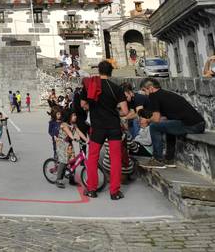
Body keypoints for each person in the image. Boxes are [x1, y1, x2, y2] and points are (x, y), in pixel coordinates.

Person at [80, 60, 128, 200]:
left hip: (98, 127)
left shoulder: (90, 86)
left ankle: (92, 189)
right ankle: (114, 192)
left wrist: (93, 109)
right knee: (115, 159)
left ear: (99, 71)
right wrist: (114, 112)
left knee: (93, 158)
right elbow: (125, 111)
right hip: (113, 127)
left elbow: (83, 104)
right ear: (111, 72)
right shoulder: (116, 88)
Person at [139, 78, 206, 169]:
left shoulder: (153, 96)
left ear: (150, 88)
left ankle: (157, 159)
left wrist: (146, 120)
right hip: (199, 124)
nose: (144, 93)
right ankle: (169, 159)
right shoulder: (165, 94)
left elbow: (156, 119)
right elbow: (163, 118)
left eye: (144, 90)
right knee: (167, 126)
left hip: (191, 125)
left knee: (154, 127)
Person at [55, 109, 87, 188]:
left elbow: (79, 132)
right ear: (68, 116)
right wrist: (73, 137)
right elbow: (68, 132)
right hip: (62, 144)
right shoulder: (64, 124)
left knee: (73, 161)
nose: (75, 117)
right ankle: (58, 179)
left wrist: (87, 140)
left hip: (69, 144)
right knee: (64, 161)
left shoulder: (74, 125)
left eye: (75, 115)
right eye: (73, 115)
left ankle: (71, 179)